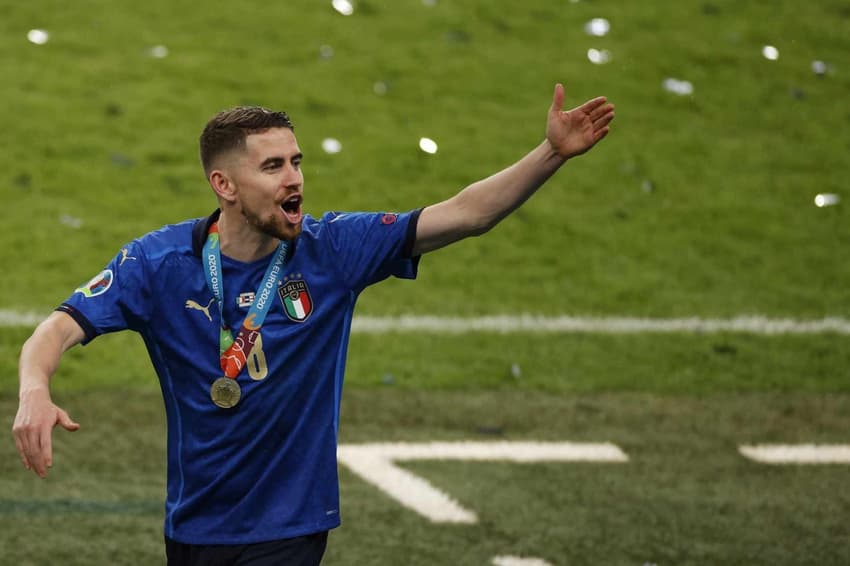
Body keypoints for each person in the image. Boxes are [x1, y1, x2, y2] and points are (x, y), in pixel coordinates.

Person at [13, 83, 613, 565]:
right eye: (273, 166)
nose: (294, 178)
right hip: (194, 526)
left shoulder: (334, 250)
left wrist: (551, 153)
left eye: (296, 162)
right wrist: (35, 389)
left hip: (289, 529)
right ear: (224, 185)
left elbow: (467, 214)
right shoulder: (160, 263)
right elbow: (58, 327)